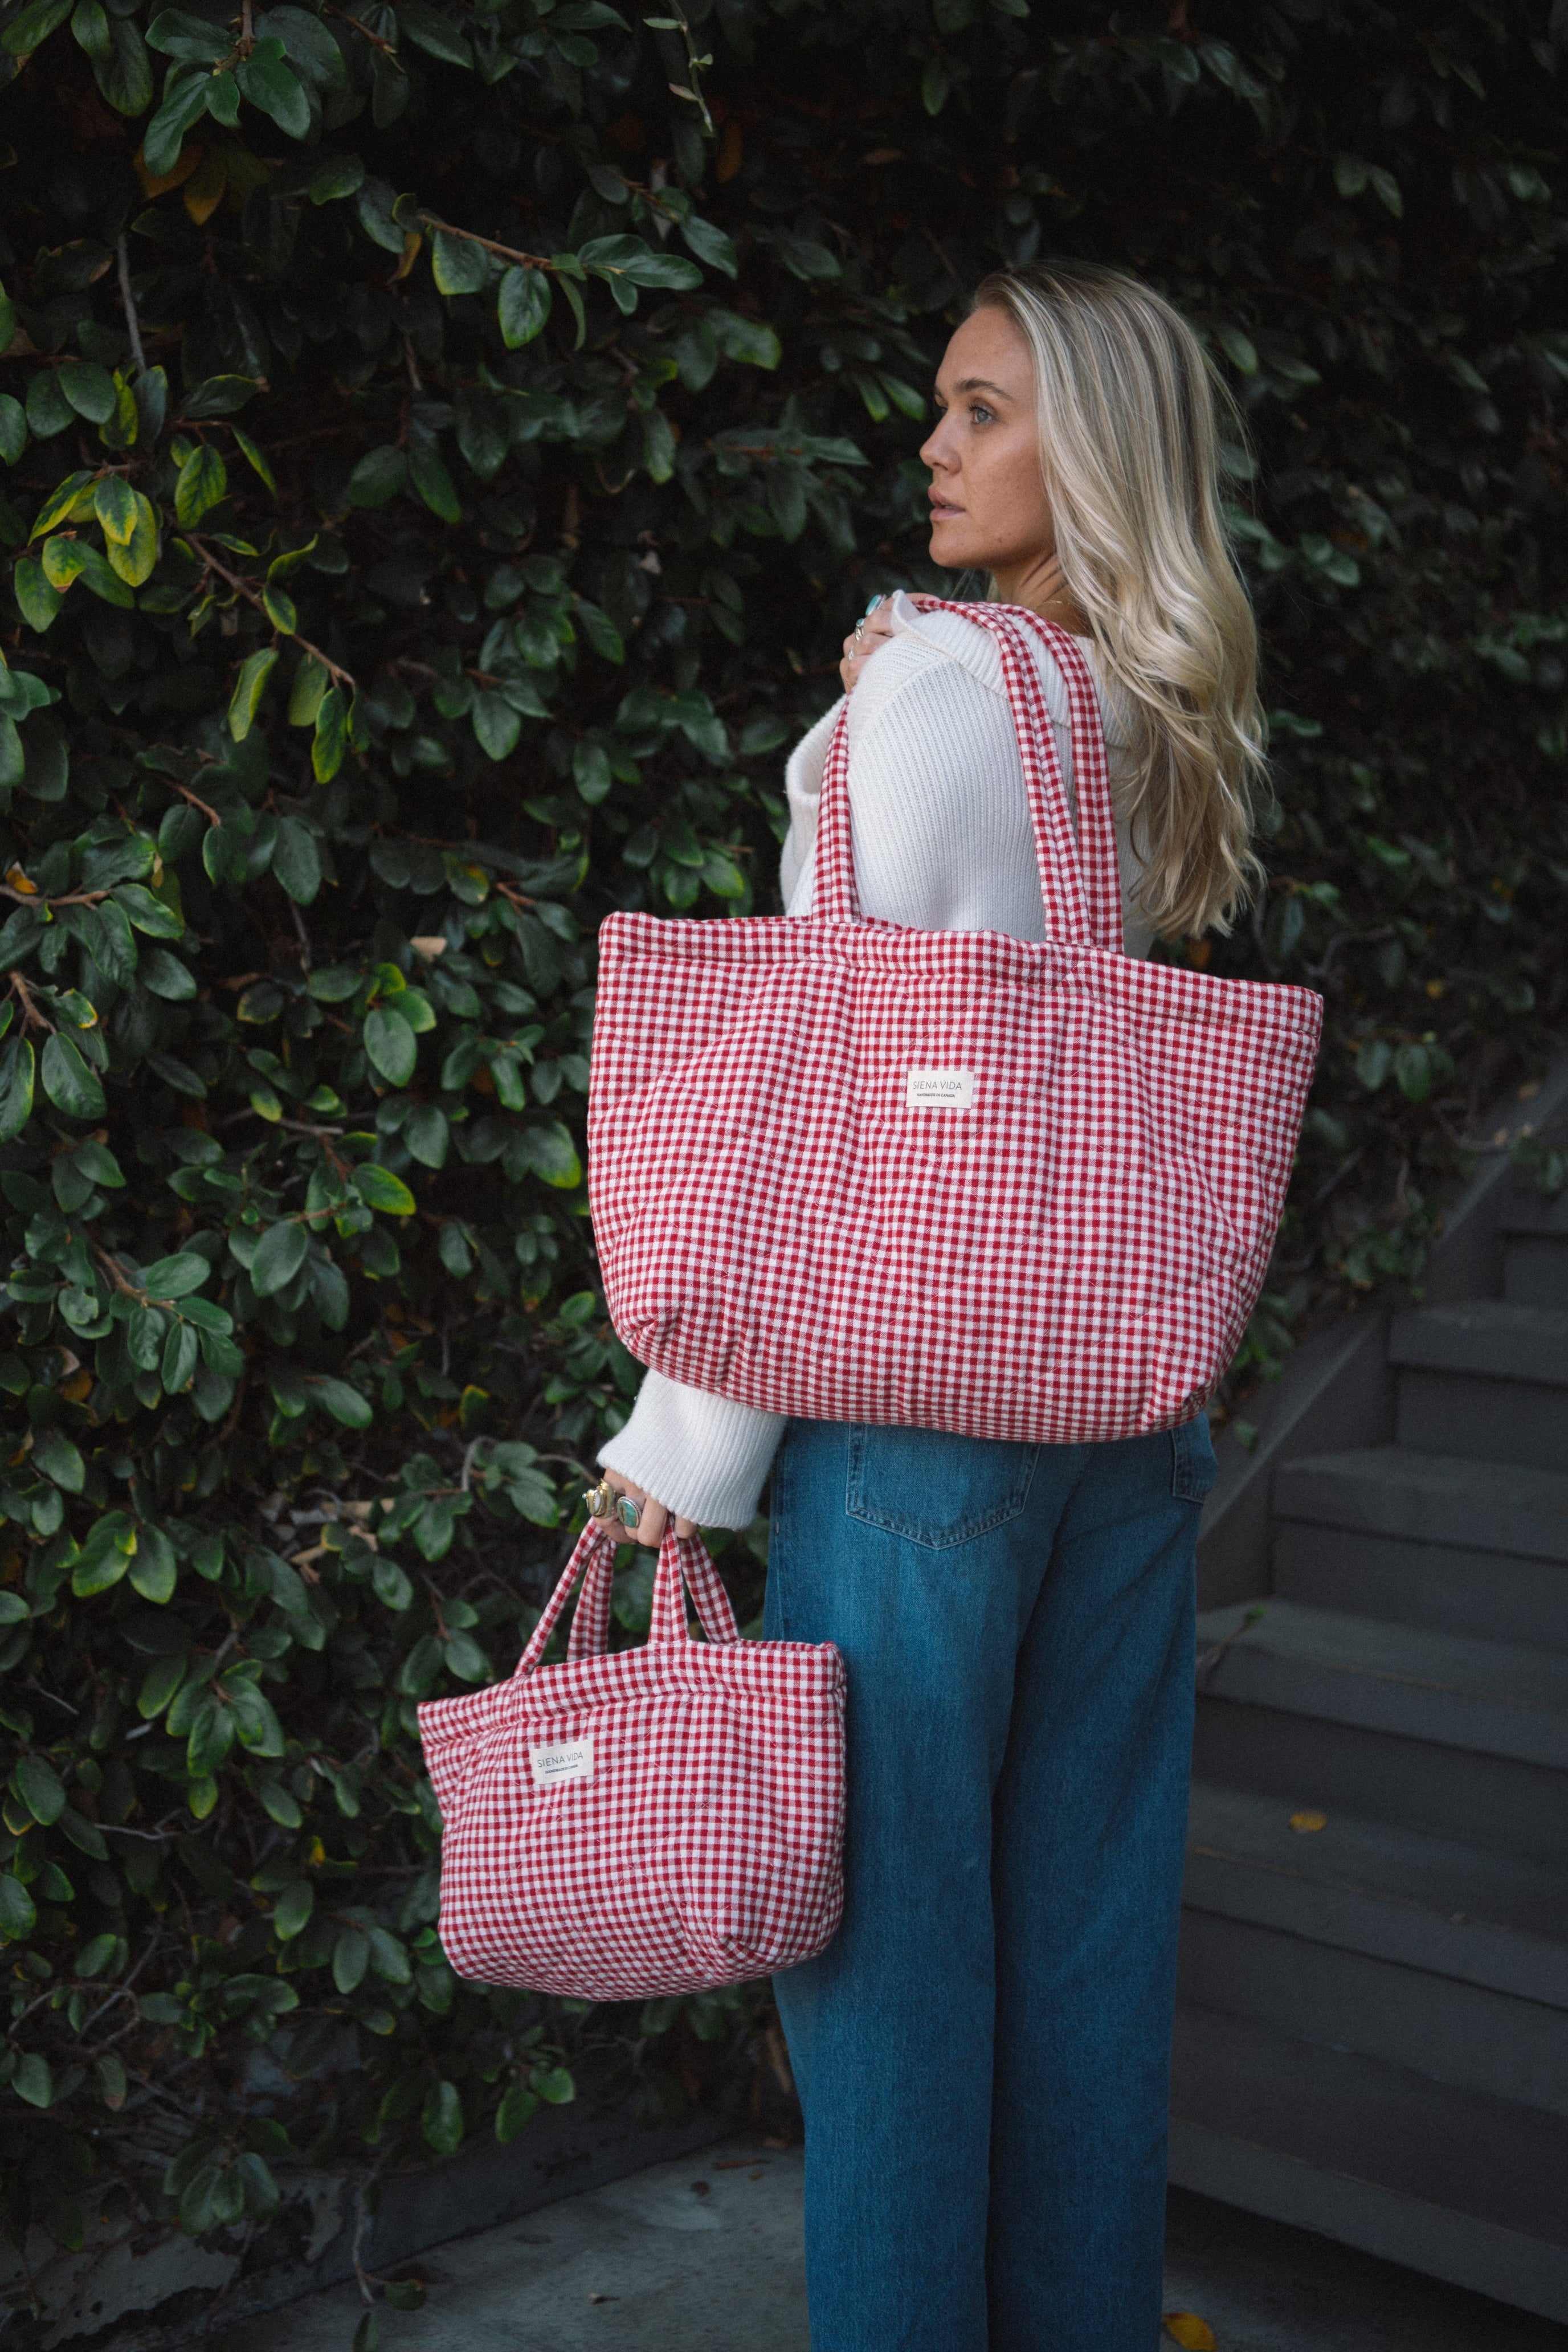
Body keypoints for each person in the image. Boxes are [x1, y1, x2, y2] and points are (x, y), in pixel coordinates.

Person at [586, 260, 1266, 2351]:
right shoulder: (1156, 708)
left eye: (981, 411)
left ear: (1092, 442)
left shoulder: (937, 689)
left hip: (918, 1435)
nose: (932, 447)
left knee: (889, 2006)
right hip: (1128, 1419)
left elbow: (822, 1109)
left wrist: (680, 1450)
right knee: (1083, 1975)